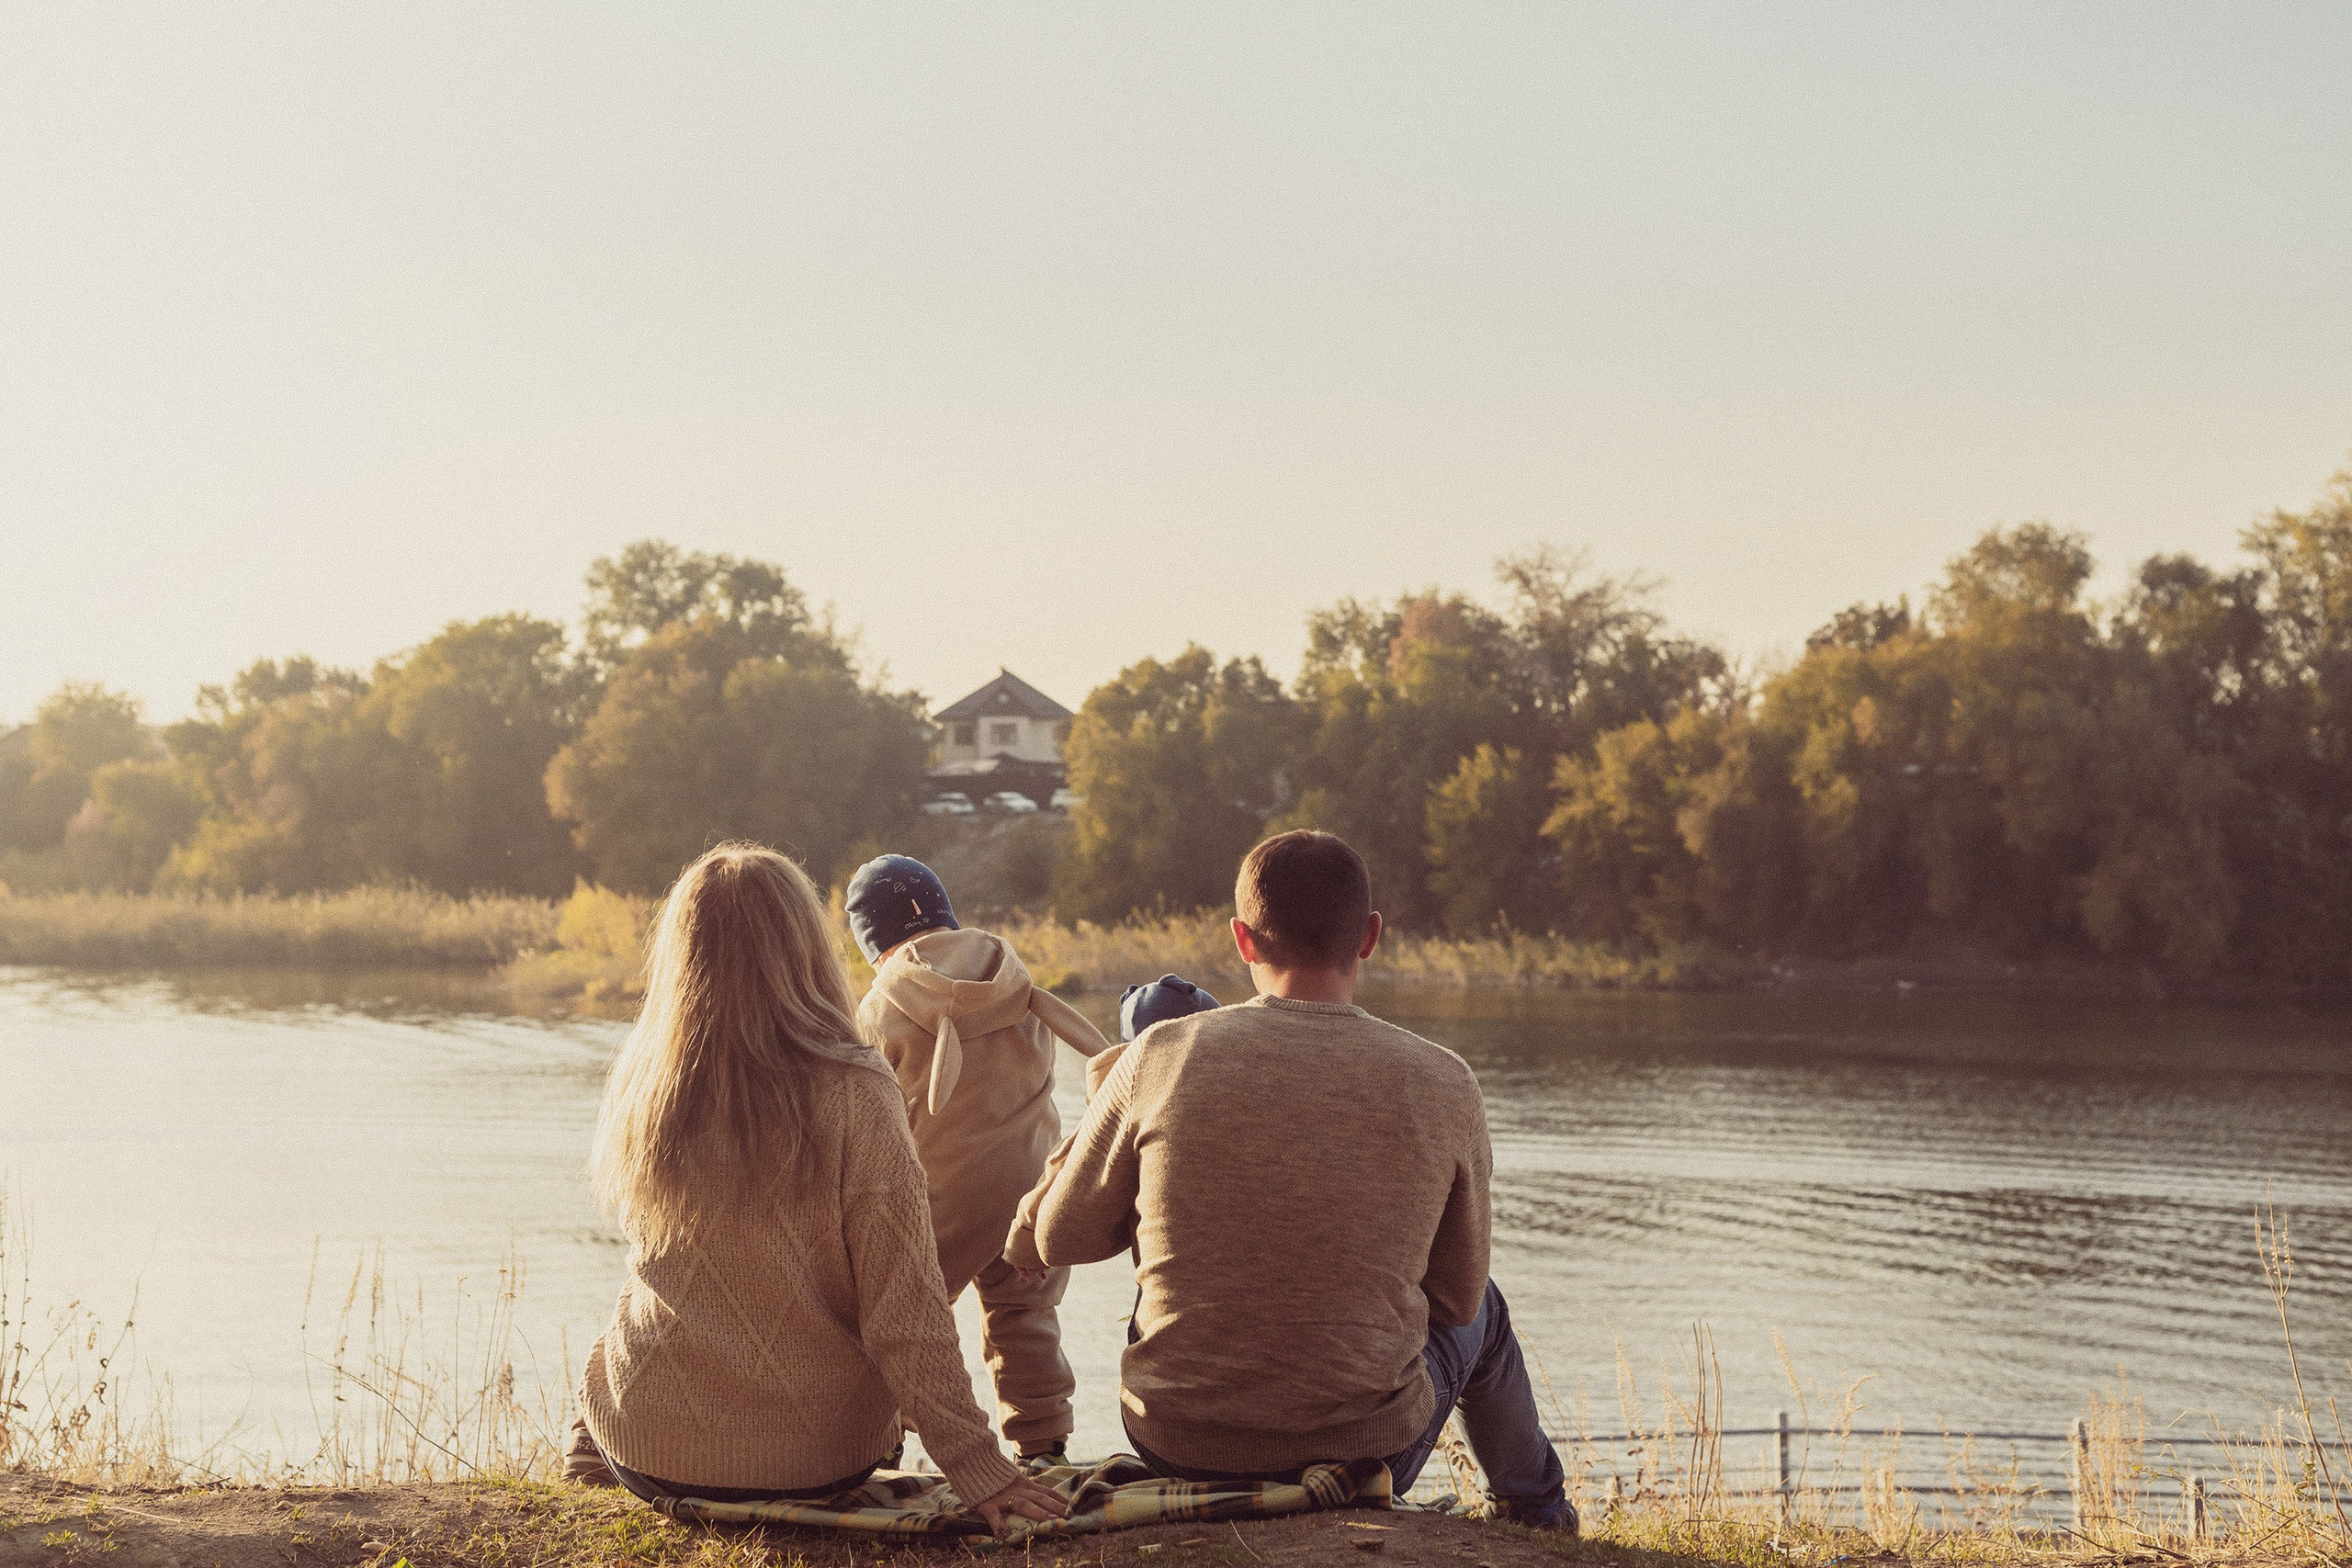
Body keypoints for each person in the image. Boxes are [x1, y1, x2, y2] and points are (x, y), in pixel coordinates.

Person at [1011, 830, 1575, 1530]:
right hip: (1367, 1452)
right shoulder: (1445, 1079)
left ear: (1242, 941)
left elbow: (1057, 1233)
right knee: (1487, 1306)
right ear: (1369, 936)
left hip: (1176, 1443)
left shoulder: (1158, 1053)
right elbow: (1457, 1300)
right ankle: (1537, 1514)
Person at [573, 843, 1066, 1536]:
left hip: (648, 1450)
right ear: (806, 946)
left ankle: (582, 1463)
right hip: (815, 1459)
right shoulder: (857, 1088)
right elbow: (907, 1310)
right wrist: (982, 1469)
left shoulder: (646, 1080)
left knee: (644, 1287)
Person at [845, 854, 1114, 1464]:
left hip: (945, 1200)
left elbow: (864, 1120)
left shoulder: (880, 1008)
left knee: (896, 1322)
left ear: (873, 941)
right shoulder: (1013, 974)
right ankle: (1043, 1445)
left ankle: (882, 1442)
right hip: (1038, 1191)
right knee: (1025, 1318)